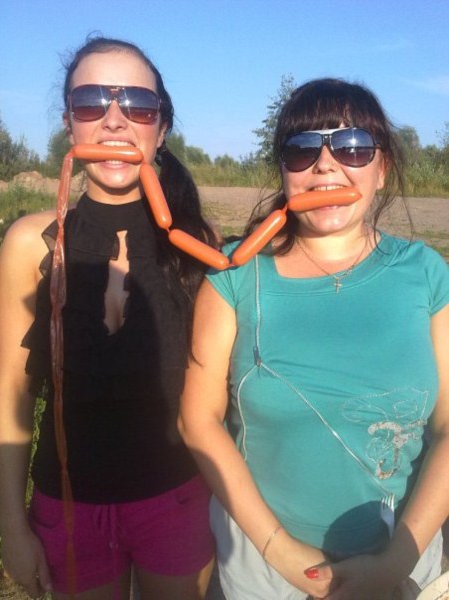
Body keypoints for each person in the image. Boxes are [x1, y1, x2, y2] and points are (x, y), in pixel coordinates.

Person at [179, 78, 449, 600]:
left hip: (406, 556)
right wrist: (283, 553)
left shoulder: (426, 273)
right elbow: (197, 420)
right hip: (266, 568)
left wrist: (396, 561)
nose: (326, 164)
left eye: (352, 146)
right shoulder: (234, 275)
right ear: (284, 171)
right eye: (302, 149)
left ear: (382, 167)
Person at [0, 36, 216, 600]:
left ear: (160, 129)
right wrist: (11, 527)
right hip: (69, 506)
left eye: (138, 105)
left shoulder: (198, 244)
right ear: (69, 123)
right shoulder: (30, 242)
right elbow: (10, 396)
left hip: (178, 500)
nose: (114, 120)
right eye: (91, 102)